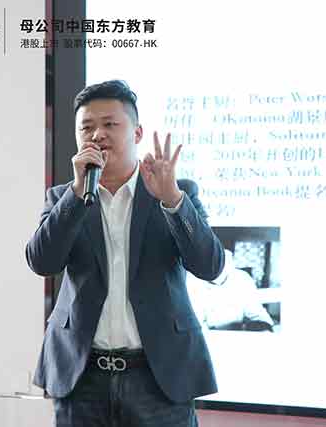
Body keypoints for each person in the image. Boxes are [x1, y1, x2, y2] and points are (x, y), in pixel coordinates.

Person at [25, 80, 225, 426]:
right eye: (86, 127)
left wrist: (172, 201)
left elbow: (210, 266)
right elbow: (42, 262)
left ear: (137, 132)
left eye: (110, 124)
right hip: (82, 377)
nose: (97, 135)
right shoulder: (64, 198)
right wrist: (76, 195)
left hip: (157, 378)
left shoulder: (174, 191)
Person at [186, 250, 275, 332]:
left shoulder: (242, 278)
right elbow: (196, 324)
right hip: (207, 334)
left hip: (239, 334)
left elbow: (257, 314)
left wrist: (263, 327)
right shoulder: (192, 280)